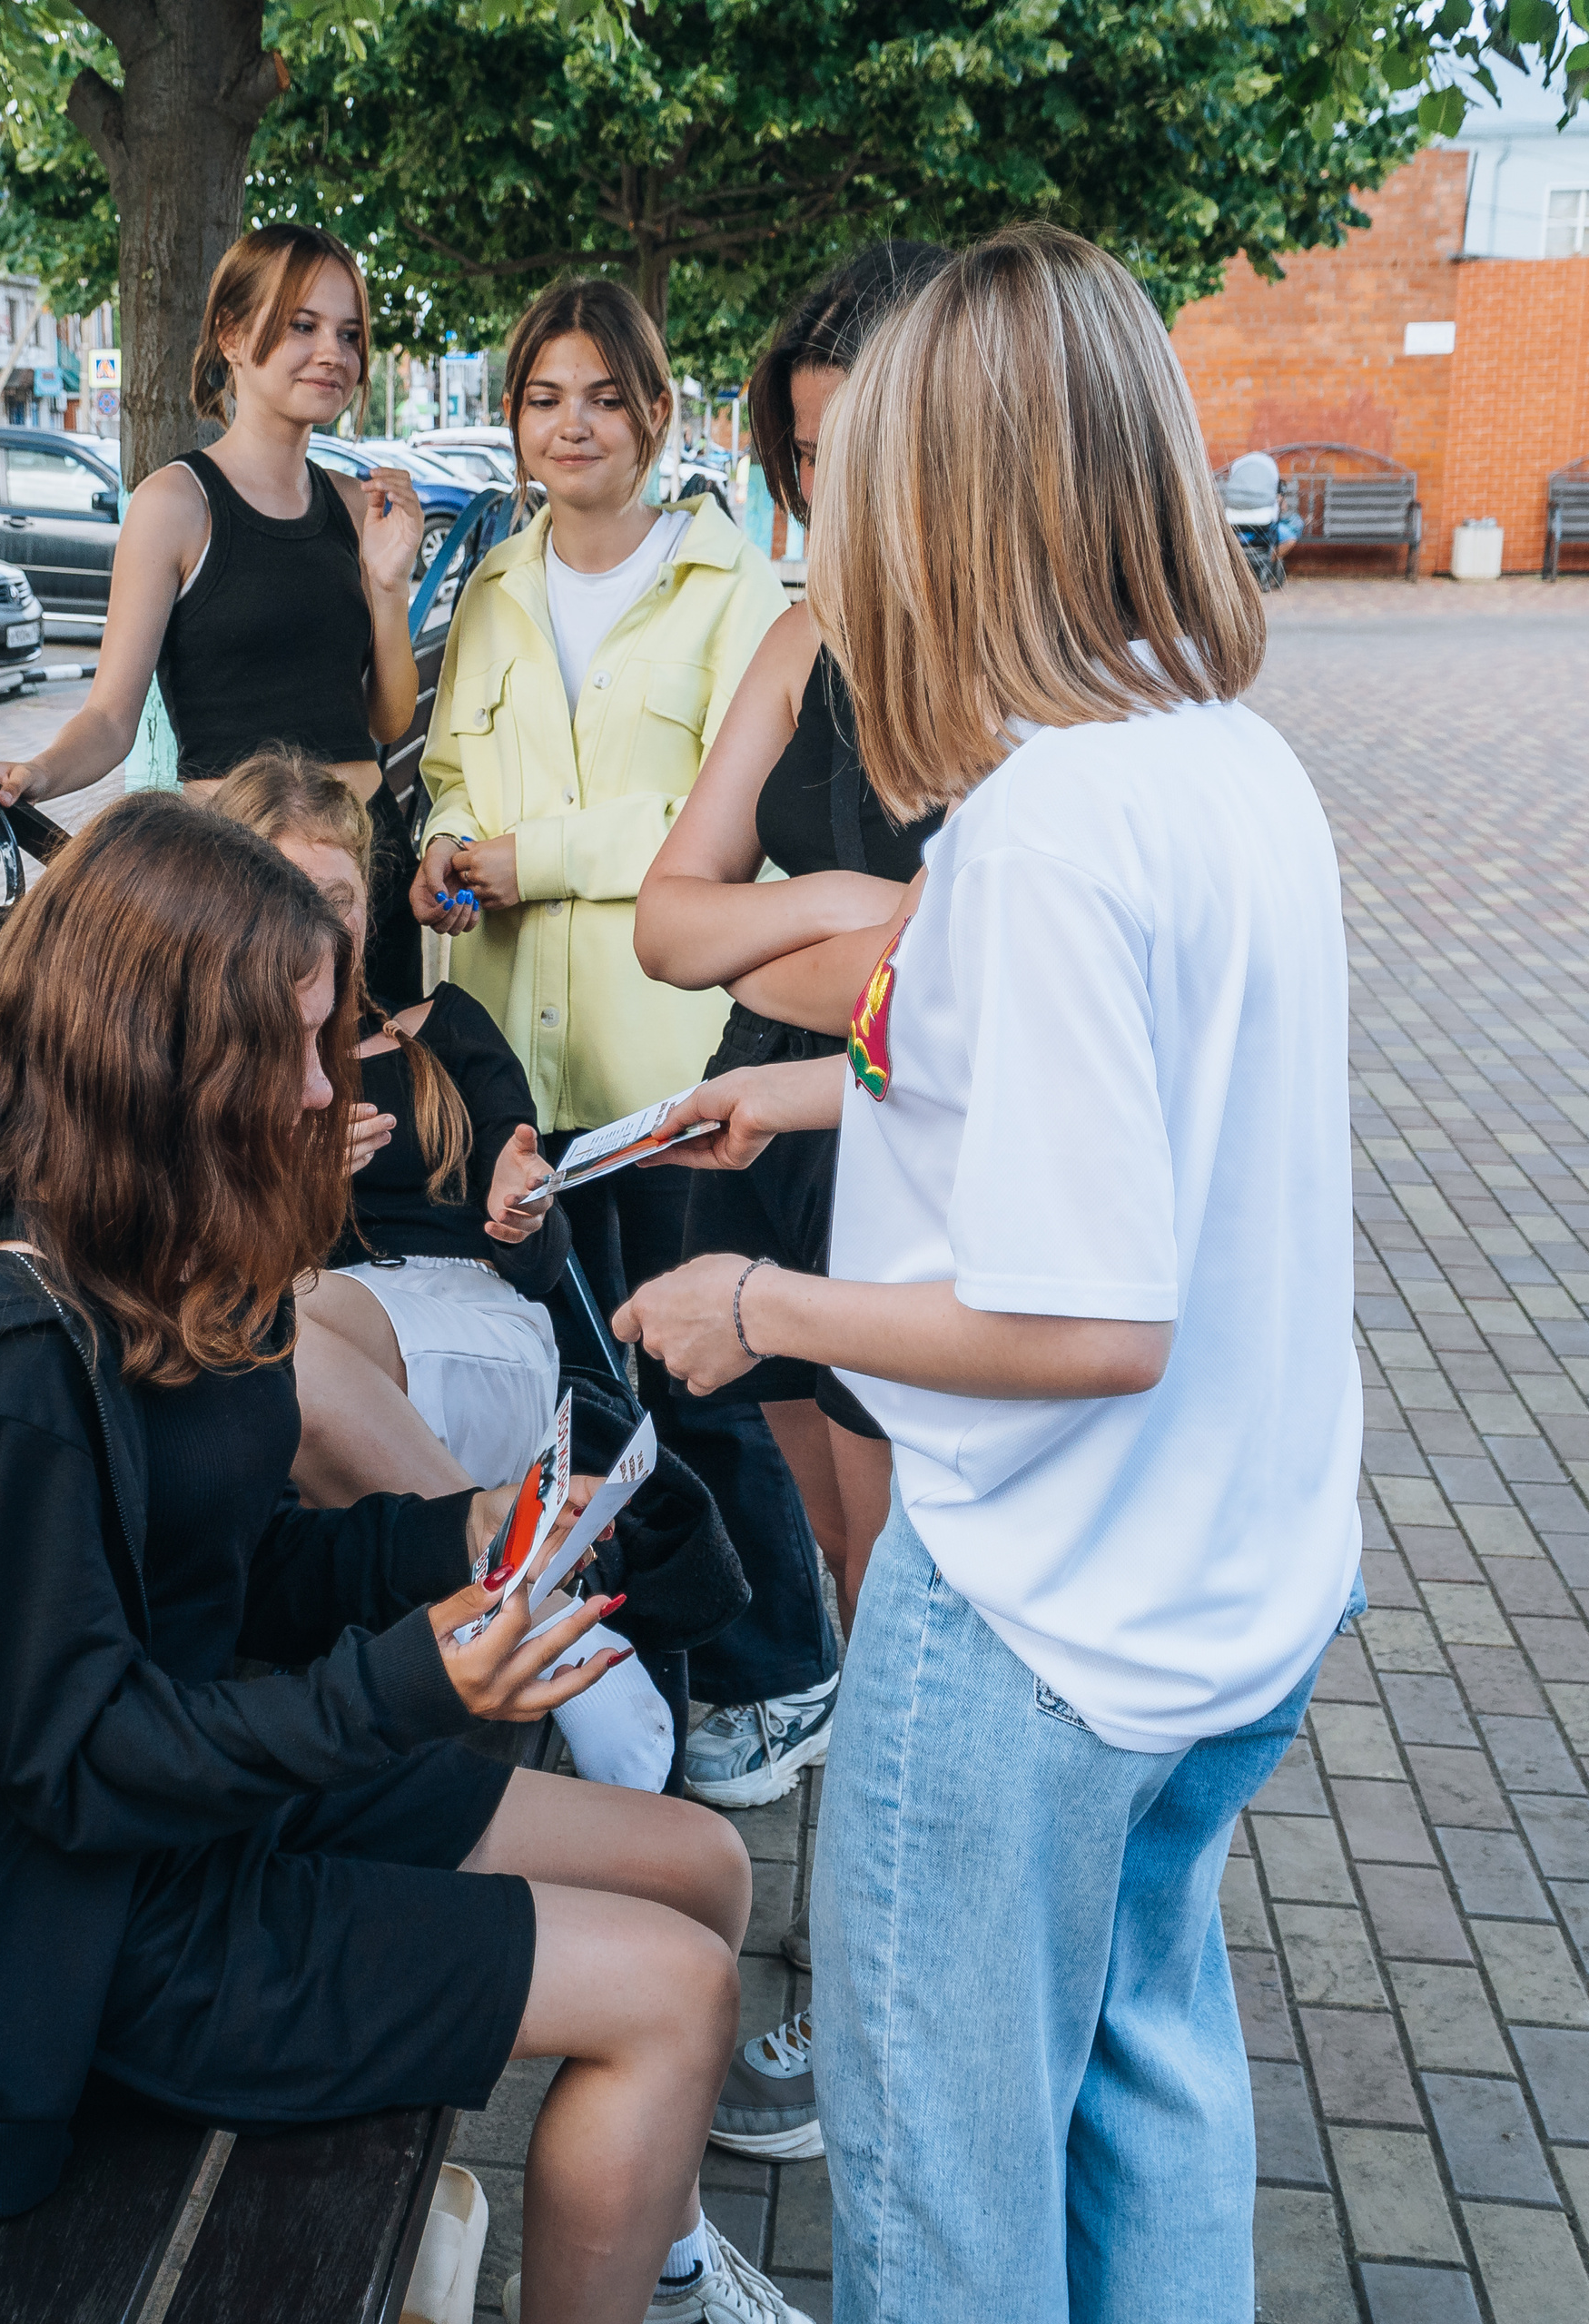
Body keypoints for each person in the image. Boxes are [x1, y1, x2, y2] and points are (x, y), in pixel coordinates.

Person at [617, 226, 1364, 2322]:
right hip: (1237, 1592)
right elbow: (1138, 1121)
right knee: (1147, 2072)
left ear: (972, 486)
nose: (834, 526)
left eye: (873, 477)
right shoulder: (1220, 756)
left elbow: (1081, 1322)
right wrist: (816, 1099)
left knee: (943, 2196)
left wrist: (753, 1312)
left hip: (1044, 1610)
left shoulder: (1038, 830)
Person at [0, 793, 804, 2324]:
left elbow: (234, 1568)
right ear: (147, 1046)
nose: (307, 1083)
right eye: (272, 1043)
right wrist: (411, 1683)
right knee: (674, 1999)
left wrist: (454, 1538)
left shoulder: (137, 1247)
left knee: (703, 1864)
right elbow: (79, 1763)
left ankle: (656, 2253)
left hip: (213, 1815)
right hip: (87, 1929)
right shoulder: (9, 1359)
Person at [408, 275, 839, 1787]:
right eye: (543, 397)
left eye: (603, 395)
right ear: (515, 420)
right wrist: (451, 853)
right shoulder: (494, 591)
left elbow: (727, 833)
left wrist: (537, 858)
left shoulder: (739, 599)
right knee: (581, 1387)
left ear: (660, 413)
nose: (571, 423)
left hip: (676, 1062)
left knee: (696, 1378)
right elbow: (455, 774)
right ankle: (662, 1664)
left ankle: (786, 1668)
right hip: (519, 1059)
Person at [214, 749, 679, 1797]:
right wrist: (285, 1198)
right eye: (283, 895)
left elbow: (545, 1268)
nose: (312, 926)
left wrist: (522, 1207)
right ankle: (541, 1608)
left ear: (368, 903)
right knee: (282, 1319)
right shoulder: (209, 1065)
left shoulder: (447, 1032)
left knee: (289, 1319)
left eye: (332, 898)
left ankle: (528, 1617)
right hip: (313, 1361)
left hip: (478, 1326)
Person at [637, 245, 951, 1799]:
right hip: (770, 1136)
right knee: (840, 1565)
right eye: (807, 457)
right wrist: (841, 908)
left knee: (906, 1585)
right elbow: (666, 923)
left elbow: (954, 994)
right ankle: (849, 1936)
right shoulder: (802, 637)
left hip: (904, 1155)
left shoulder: (1005, 670)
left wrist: (770, 951)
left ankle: (871, 1962)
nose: (830, 497)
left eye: (858, 453)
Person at [0, 222, 431, 1007]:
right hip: (243, 891)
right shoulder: (175, 506)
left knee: (381, 1113)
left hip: (368, 867)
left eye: (349, 334)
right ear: (231, 334)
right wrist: (36, 773)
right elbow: (113, 718)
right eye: (302, 325)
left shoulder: (355, 507)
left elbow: (385, 722)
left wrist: (388, 588)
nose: (334, 354)